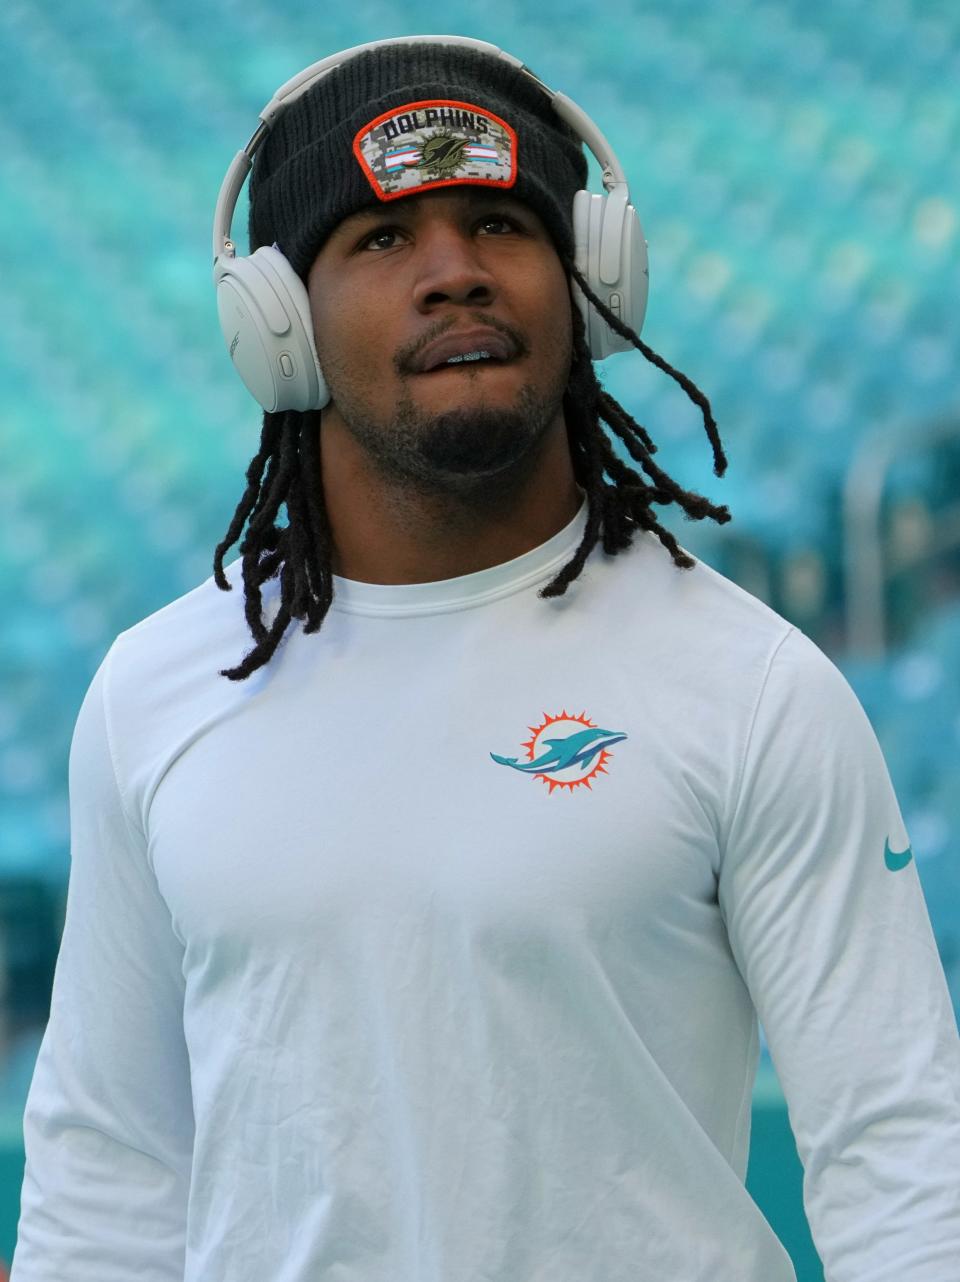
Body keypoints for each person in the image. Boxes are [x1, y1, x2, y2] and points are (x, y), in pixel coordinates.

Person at [10, 36, 960, 1282]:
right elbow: (109, 1182)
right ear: (278, 326)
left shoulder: (756, 689)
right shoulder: (152, 693)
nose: (455, 272)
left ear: (591, 283)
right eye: (383, 238)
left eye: (503, 225)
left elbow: (904, 1166)